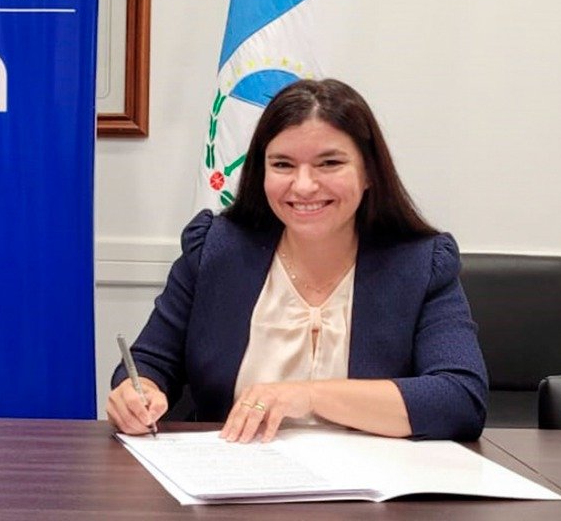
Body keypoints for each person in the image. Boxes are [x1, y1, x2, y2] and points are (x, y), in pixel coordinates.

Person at [107, 78, 487, 442]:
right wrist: (136, 394)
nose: (304, 185)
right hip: (236, 474)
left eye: (329, 163)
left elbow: (459, 399)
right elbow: (148, 363)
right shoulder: (214, 250)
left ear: (369, 172)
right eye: (283, 165)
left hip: (371, 483)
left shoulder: (421, 264)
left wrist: (307, 395)